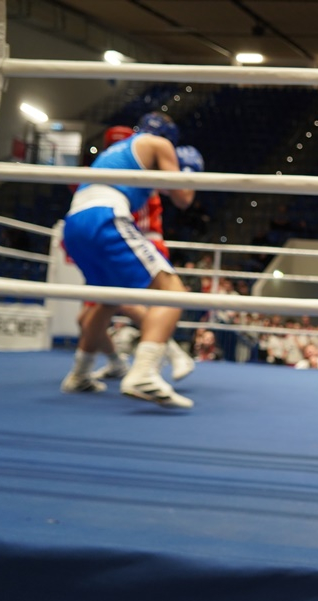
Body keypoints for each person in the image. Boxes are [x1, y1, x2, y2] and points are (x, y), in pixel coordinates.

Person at [60, 111, 204, 408]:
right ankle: (143, 373)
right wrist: (189, 171)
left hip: (74, 223)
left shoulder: (120, 150)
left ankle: (79, 375)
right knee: (173, 293)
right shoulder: (159, 144)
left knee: (106, 300)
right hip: (105, 215)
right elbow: (183, 197)